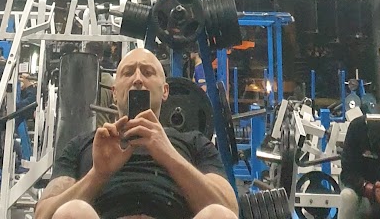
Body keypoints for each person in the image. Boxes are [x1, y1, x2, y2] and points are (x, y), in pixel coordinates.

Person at [35, 48, 236, 219]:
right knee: (72, 211)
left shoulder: (194, 142)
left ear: (165, 91)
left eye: (148, 72)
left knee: (218, 214)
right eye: (128, 73)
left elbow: (229, 210)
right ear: (114, 92)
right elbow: (44, 215)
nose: (138, 79)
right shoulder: (84, 145)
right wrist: (98, 174)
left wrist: (169, 155)